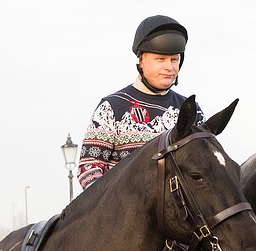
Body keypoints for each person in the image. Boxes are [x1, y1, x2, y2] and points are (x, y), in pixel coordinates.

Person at [76, 15, 203, 191]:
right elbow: (89, 168)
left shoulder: (190, 111)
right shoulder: (112, 108)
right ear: (141, 60)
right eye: (160, 59)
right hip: (124, 214)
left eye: (174, 59)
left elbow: (204, 165)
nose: (170, 67)